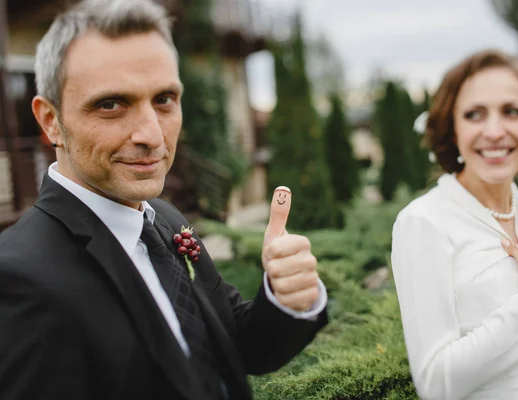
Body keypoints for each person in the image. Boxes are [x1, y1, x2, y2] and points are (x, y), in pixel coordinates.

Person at [0, 1, 328, 399]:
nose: (153, 135)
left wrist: (286, 296)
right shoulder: (17, 278)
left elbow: (235, 347)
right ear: (51, 120)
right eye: (111, 104)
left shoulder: (166, 220)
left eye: (164, 100)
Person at [391, 49, 518, 400]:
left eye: (512, 111)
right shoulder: (423, 221)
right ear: (453, 129)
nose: (494, 131)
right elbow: (436, 385)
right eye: (474, 114)